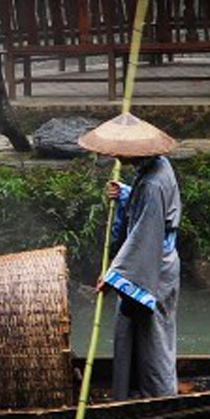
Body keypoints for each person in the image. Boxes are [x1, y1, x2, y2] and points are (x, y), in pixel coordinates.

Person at [80, 111, 182, 400]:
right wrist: (126, 194)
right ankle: (135, 390)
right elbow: (151, 211)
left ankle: (160, 398)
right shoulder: (156, 167)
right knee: (132, 330)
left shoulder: (152, 182)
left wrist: (115, 275)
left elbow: (144, 235)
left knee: (154, 339)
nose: (116, 156)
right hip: (154, 262)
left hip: (153, 268)